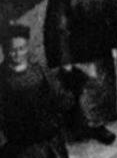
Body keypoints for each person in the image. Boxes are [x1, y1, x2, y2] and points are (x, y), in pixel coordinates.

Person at [43, 0, 117, 145]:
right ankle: (93, 125)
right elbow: (58, 29)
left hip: (104, 42)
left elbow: (113, 6)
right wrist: (64, 59)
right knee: (88, 87)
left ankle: (111, 108)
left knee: (109, 77)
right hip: (80, 50)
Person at [0, 22, 73, 158]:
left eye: (21, 48)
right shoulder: (2, 78)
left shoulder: (38, 69)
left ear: (27, 47)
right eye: (12, 50)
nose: (17, 54)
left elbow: (58, 94)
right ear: (5, 50)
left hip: (50, 137)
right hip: (24, 146)